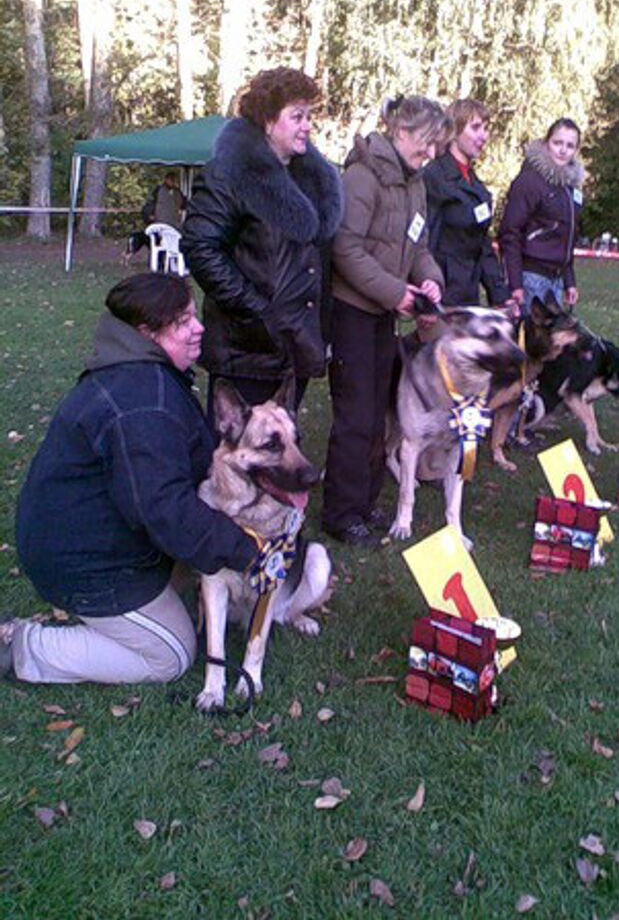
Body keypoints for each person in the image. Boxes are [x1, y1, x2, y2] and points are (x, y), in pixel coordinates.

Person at [2, 274, 262, 685]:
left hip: (93, 539)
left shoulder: (141, 372)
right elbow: (163, 508)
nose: (199, 328)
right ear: (146, 333)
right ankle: (22, 647)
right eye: (182, 322)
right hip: (87, 564)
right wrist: (246, 549)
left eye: (194, 316)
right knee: (172, 654)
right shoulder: (142, 403)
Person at [322, 95, 449, 547]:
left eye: (437, 145)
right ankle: (340, 513)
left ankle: (366, 502)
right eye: (427, 143)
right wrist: (397, 293)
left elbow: (419, 247)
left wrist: (429, 280)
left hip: (385, 315)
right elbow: (345, 250)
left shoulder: (416, 184)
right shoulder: (361, 177)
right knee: (355, 415)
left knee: (380, 413)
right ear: (401, 133)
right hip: (353, 312)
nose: (432, 154)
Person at [181, 67, 343, 417]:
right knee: (238, 455)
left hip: (295, 343)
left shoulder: (309, 177)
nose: (307, 126)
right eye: (297, 116)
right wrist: (258, 310)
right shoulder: (230, 172)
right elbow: (199, 246)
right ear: (268, 121)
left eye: (309, 116)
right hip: (248, 347)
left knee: (280, 451)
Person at [423, 98, 509, 307]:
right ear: (454, 131)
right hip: (440, 294)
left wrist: (500, 296)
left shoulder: (476, 185)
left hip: (468, 295)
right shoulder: (434, 176)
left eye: (486, 128)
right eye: (476, 127)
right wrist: (427, 296)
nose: (484, 136)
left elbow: (483, 244)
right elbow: (425, 240)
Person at [498, 117, 585, 313]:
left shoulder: (571, 189)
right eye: (557, 143)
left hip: (557, 280)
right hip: (531, 277)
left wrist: (569, 280)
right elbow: (510, 232)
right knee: (527, 342)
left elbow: (568, 236)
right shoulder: (530, 181)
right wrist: (515, 283)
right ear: (547, 143)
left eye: (570, 146)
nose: (563, 150)